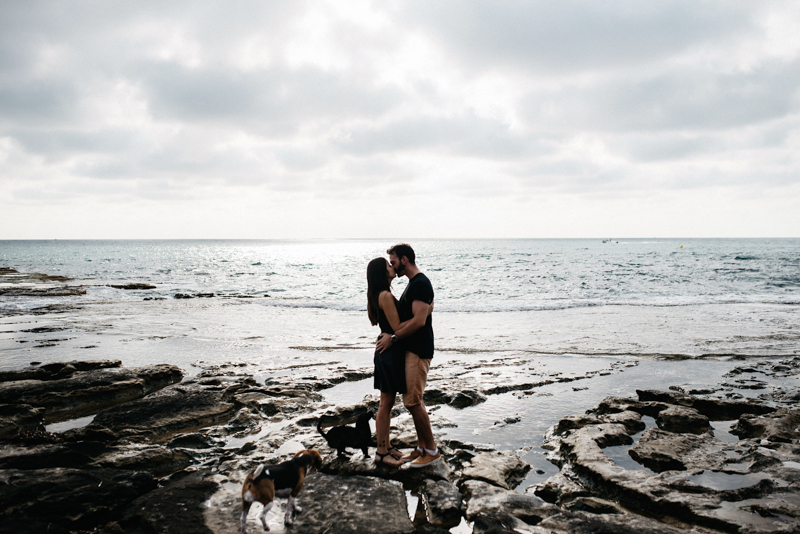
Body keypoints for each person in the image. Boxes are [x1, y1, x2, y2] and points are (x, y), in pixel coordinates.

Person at [376, 243, 438, 468]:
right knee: (412, 400)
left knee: (413, 401)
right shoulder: (413, 284)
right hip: (411, 349)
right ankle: (422, 448)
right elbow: (415, 315)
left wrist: (392, 338)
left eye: (393, 262)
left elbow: (419, 321)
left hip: (419, 349)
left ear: (404, 259)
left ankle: (431, 450)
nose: (392, 266)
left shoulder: (420, 283)